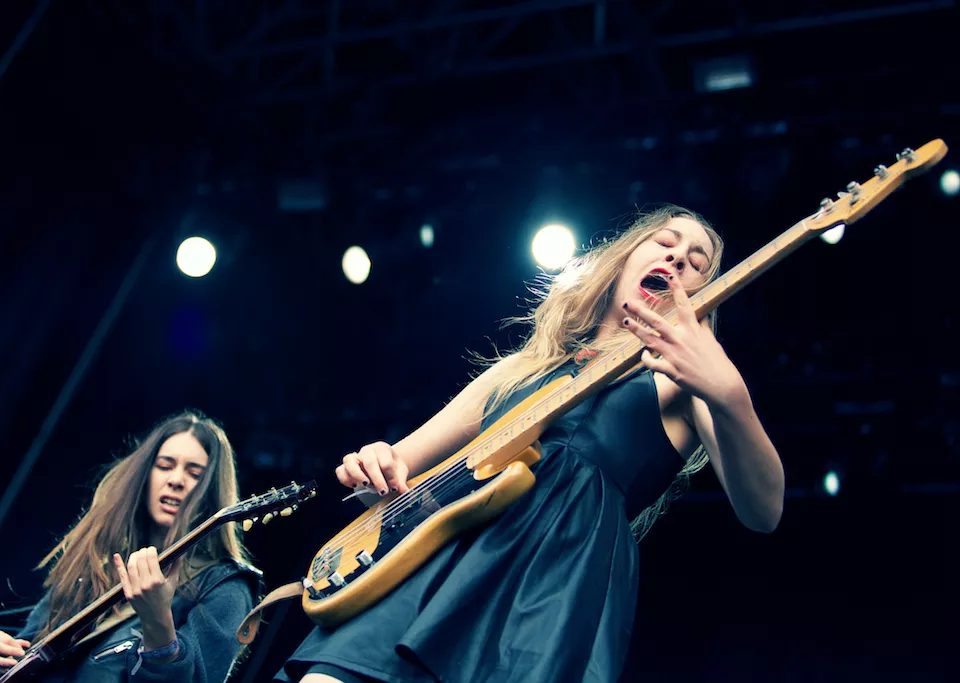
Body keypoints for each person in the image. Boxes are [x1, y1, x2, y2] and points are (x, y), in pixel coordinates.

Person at [278, 205, 786, 683]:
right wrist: (375, 463)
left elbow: (764, 509)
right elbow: (399, 466)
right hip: (442, 561)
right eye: (665, 242)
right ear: (624, 257)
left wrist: (730, 395)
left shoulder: (683, 380)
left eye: (697, 263)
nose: (677, 258)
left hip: (551, 583)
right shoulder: (521, 369)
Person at [0, 410, 263, 683]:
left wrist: (158, 623)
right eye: (164, 466)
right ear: (145, 476)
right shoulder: (96, 562)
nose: (175, 480)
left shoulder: (226, 587)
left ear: (211, 492)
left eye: (194, 473)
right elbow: (27, 654)